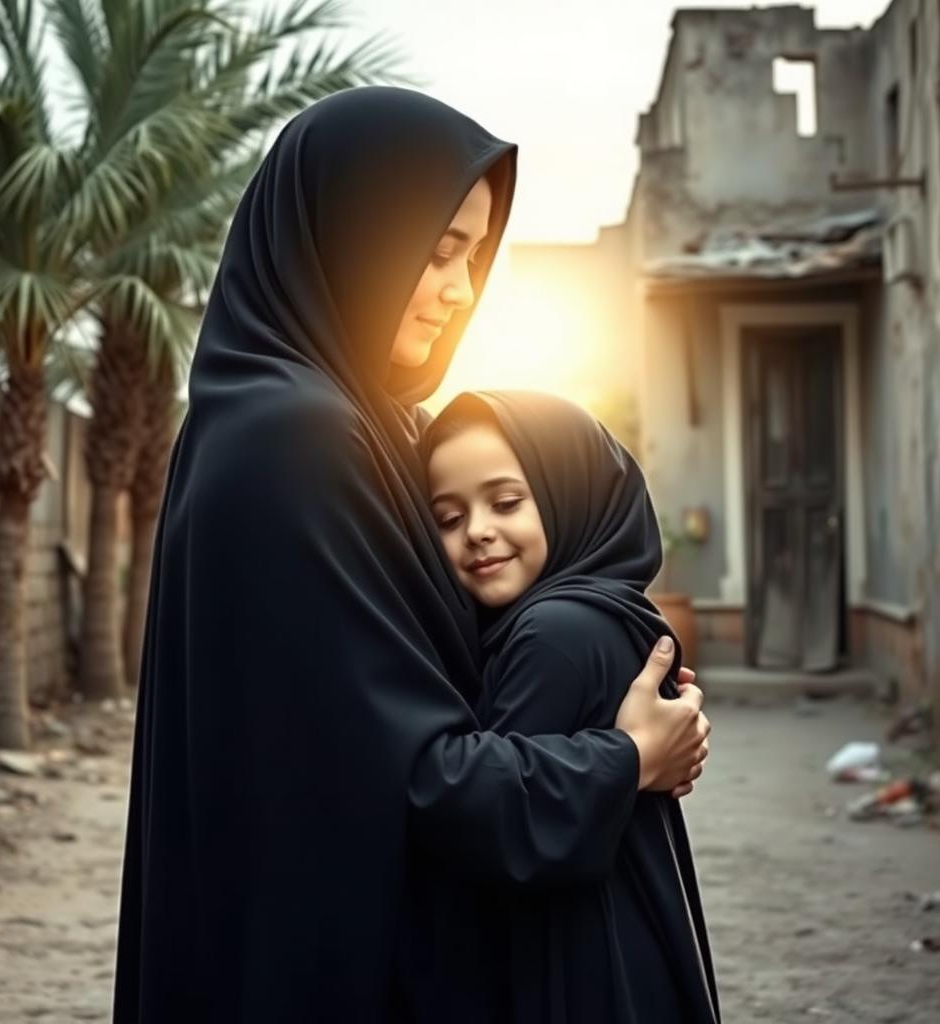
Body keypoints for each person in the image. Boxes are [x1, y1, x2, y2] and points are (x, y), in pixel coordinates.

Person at [112, 87, 710, 1022]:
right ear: (353, 240)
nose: (463, 288)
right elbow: (412, 777)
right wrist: (624, 761)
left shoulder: (326, 422)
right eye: (436, 253)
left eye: (473, 256)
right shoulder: (294, 440)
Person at [424, 390, 720, 1023]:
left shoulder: (554, 631)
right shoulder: (601, 610)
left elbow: (495, 828)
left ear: (568, 493)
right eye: (447, 519)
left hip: (580, 963)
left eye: (506, 502)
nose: (477, 530)